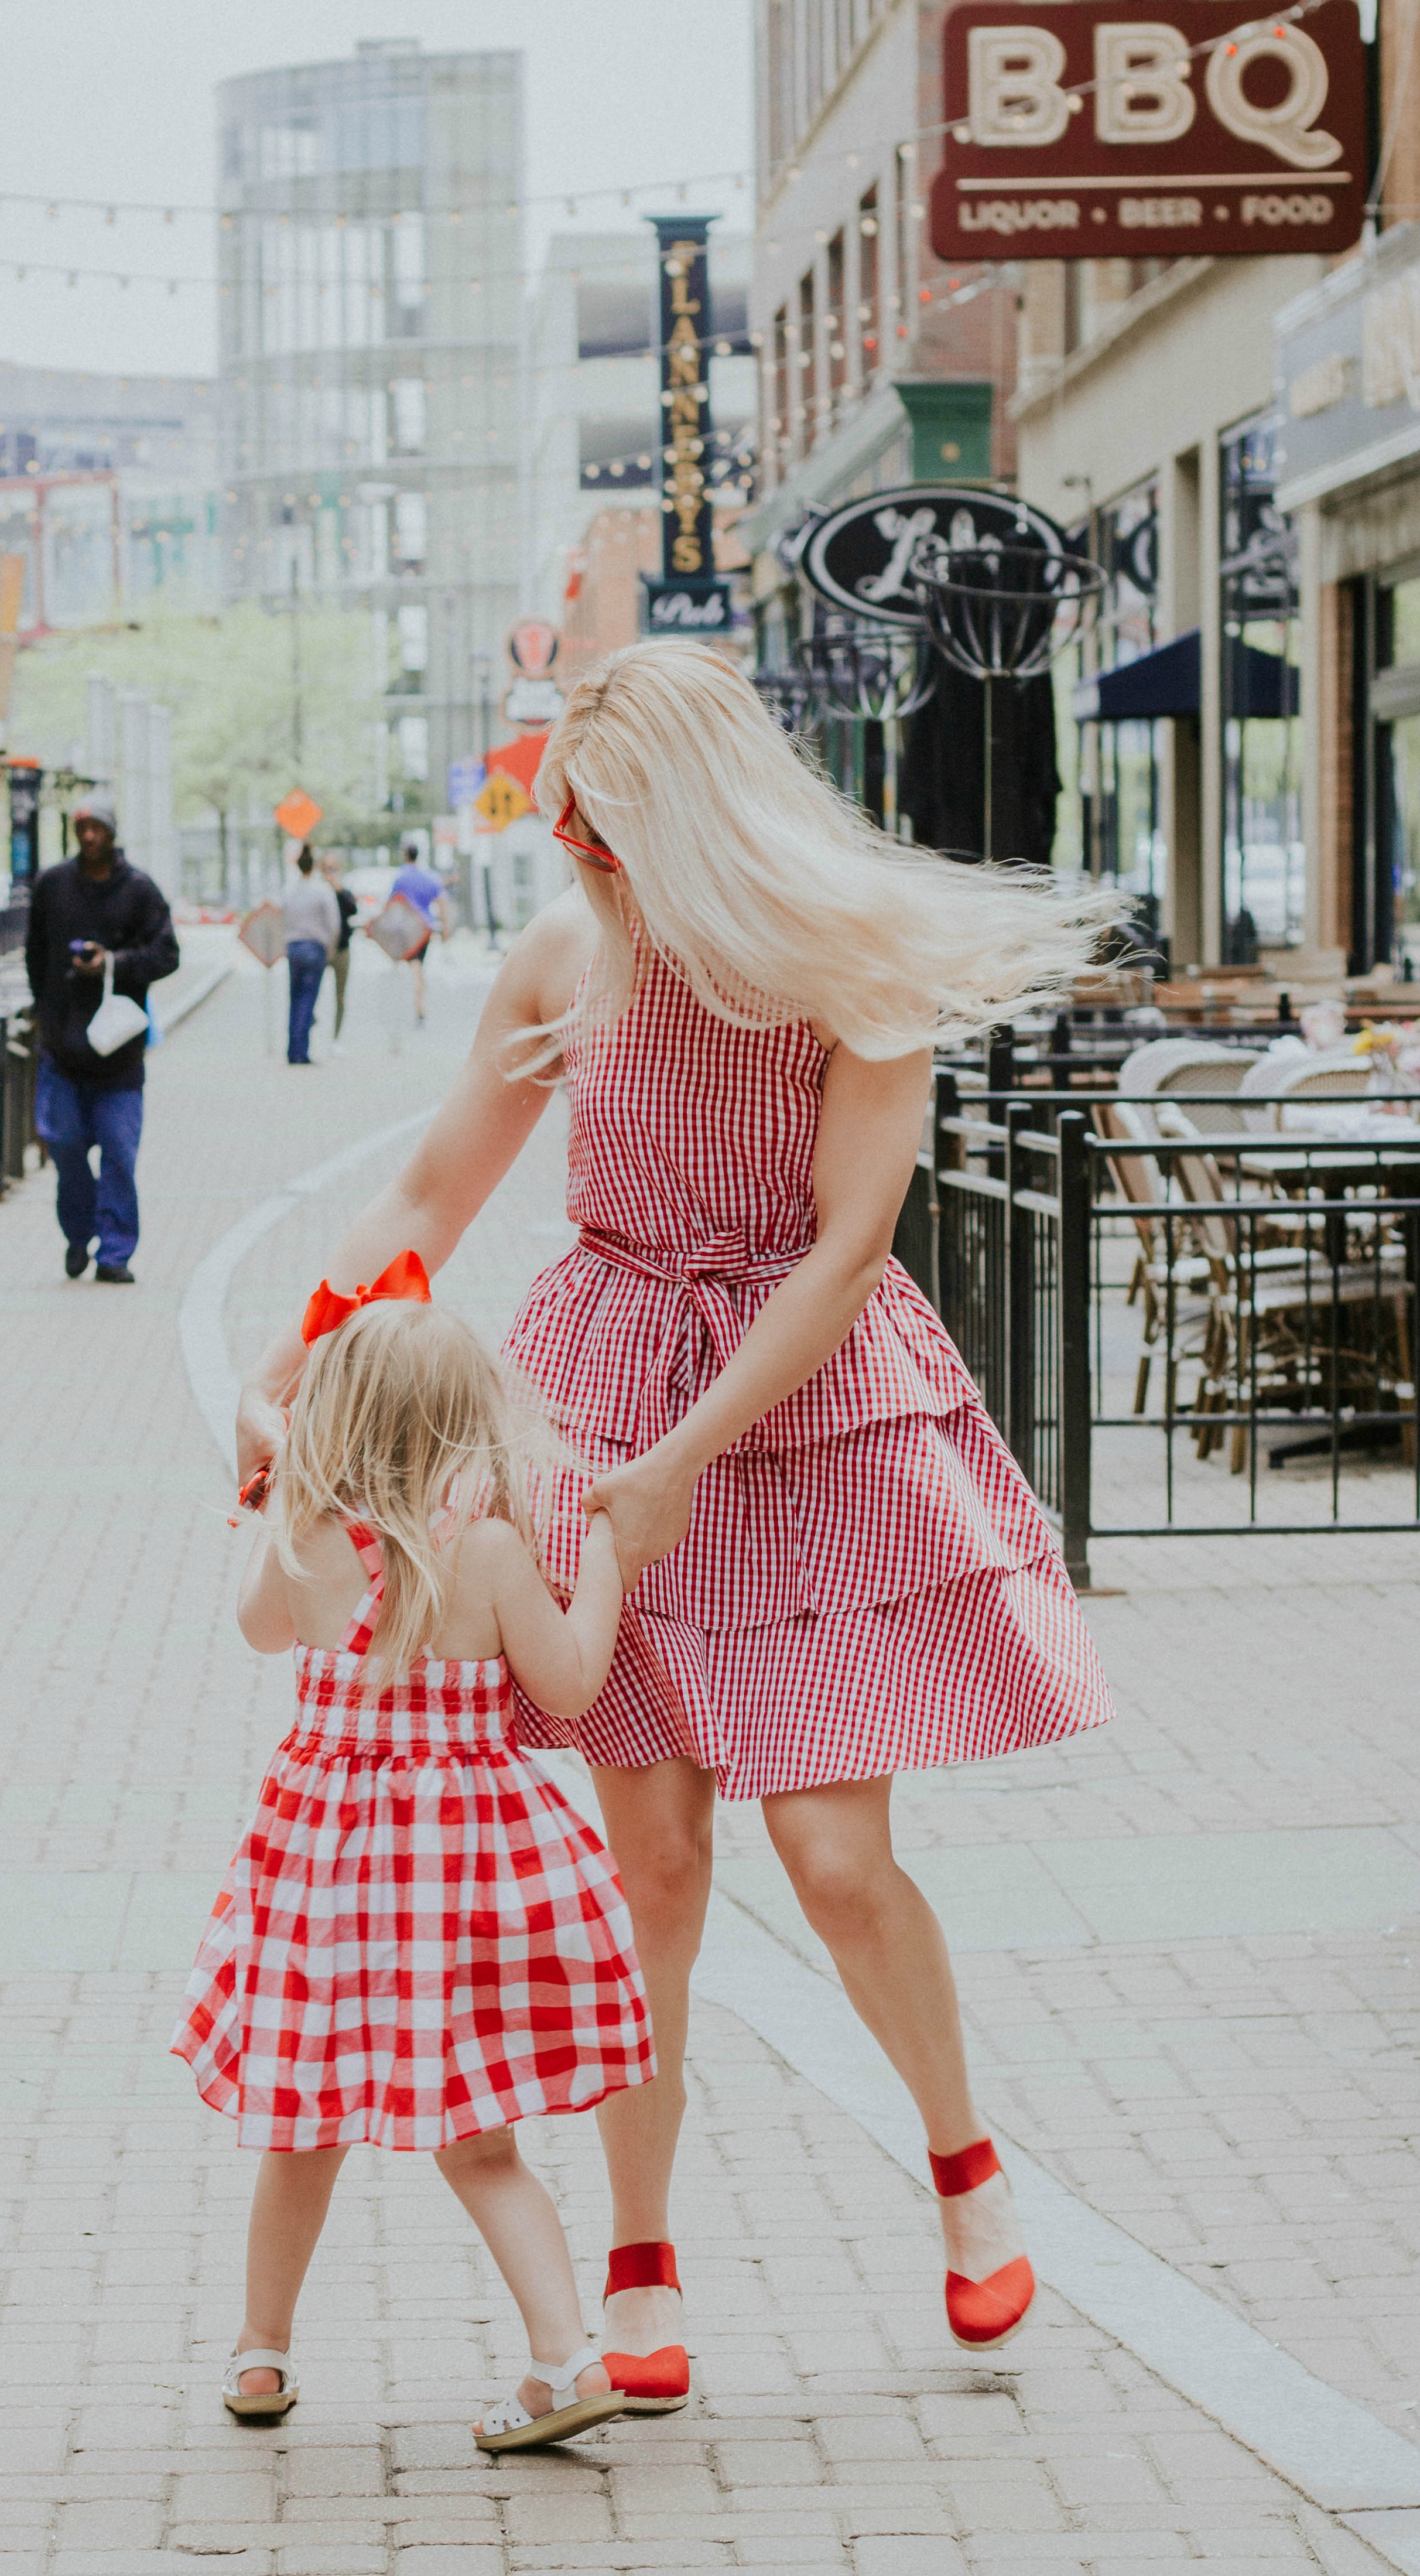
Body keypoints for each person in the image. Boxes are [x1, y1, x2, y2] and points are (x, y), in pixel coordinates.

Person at [236, 640, 1120, 2395]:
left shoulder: (855, 967)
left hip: (805, 1412)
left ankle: (964, 2165)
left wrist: (690, 1454)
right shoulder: (572, 951)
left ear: (698, 823)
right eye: (571, 834)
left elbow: (850, 1245)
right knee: (652, 1862)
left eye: (608, 834)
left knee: (839, 1861)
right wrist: (296, 1362)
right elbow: (434, 1185)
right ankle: (641, 2264)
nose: (583, 863)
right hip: (603, 1385)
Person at [173, 1284, 654, 2449]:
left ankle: (259, 2356)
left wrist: (282, 1486)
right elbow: (574, 1683)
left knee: (300, 2121)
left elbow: (257, 1631)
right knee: (478, 2136)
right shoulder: (485, 1551)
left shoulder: (309, 1535)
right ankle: (564, 2355)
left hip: (327, 1871)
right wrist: (605, 1556)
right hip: (461, 1873)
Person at [25, 790, 179, 1284]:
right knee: (65, 1146)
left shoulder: (139, 890)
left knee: (118, 1154)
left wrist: (114, 964)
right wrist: (45, 1011)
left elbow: (168, 954)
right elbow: (34, 953)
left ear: (113, 834)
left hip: (118, 1056)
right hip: (62, 1051)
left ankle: (115, 1253)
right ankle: (78, 1235)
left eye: (99, 829)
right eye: (82, 828)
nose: (90, 837)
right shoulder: (52, 885)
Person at [282, 843, 337, 1064]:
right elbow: (334, 923)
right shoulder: (322, 891)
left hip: (293, 947)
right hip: (315, 948)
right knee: (308, 998)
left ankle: (292, 1049)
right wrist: (330, 948)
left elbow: (280, 917)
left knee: (295, 998)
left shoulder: (288, 890)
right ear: (313, 867)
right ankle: (301, 1052)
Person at [389, 834, 449, 1024]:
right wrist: (446, 928)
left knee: (413, 967)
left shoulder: (400, 878)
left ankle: (419, 1007)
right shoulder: (429, 877)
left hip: (407, 929)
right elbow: (442, 902)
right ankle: (420, 1002)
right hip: (426, 929)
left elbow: (392, 904)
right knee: (418, 966)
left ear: (406, 856)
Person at [320, 850, 358, 1043]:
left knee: (340, 996)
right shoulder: (317, 892)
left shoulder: (343, 892)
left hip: (342, 949)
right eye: (327, 869)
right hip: (321, 950)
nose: (330, 873)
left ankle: (336, 1039)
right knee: (313, 993)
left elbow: (353, 910)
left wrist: (339, 891)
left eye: (333, 869)